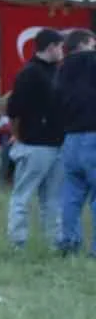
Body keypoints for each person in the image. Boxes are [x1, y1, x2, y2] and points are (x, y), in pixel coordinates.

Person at [4, 28, 65, 249]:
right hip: (35, 145)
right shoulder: (29, 74)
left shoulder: (56, 72)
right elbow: (13, 110)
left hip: (57, 144)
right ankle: (17, 243)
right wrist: (18, 136)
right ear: (50, 47)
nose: (62, 51)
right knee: (23, 195)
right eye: (60, 47)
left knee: (53, 199)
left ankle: (54, 243)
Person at [55, 28, 96, 256]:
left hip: (71, 138)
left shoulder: (63, 69)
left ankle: (69, 243)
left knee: (71, 196)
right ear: (86, 42)